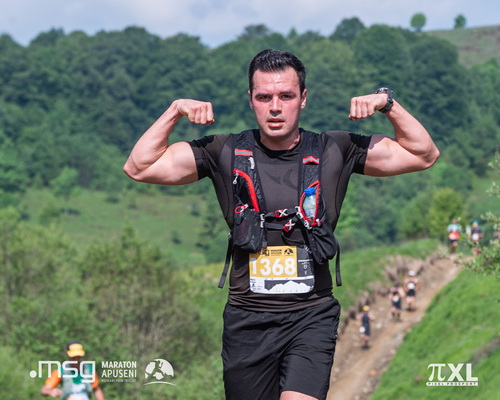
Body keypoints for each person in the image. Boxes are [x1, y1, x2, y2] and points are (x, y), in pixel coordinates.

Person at [123, 49, 439, 400]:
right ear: (251, 100)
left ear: (303, 98)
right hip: (247, 321)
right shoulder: (224, 151)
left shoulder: (334, 149)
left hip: (311, 316)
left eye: (286, 96)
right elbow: (140, 166)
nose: (275, 107)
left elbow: (423, 154)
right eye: (264, 97)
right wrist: (175, 110)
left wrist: (387, 103)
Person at [40, 341, 105, 400]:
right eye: (73, 357)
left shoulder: (90, 370)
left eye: (78, 356)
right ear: (68, 355)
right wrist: (50, 391)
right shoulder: (60, 371)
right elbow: (44, 390)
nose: (76, 359)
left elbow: (96, 389)